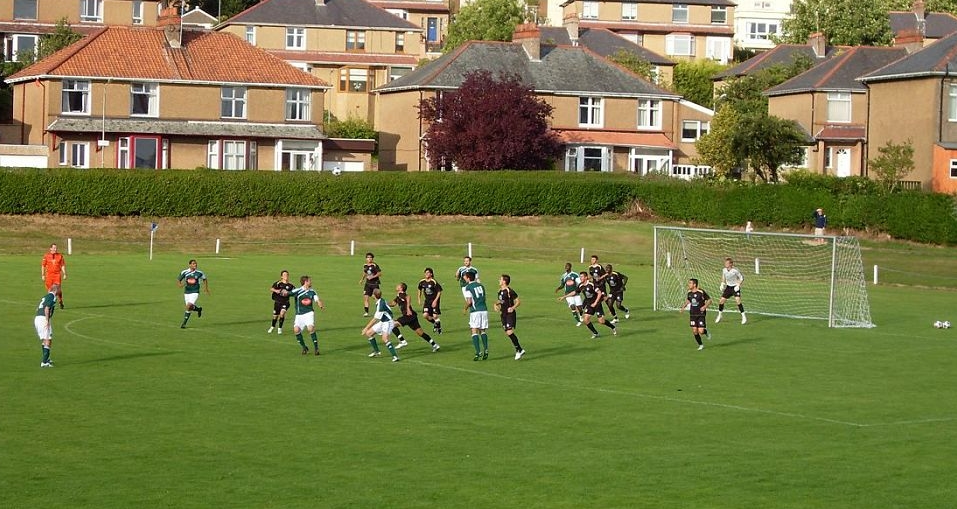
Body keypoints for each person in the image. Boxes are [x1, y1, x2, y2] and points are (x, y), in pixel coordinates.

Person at [391, 282, 440, 352]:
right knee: (420, 333)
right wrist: (384, 304)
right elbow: (393, 304)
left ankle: (402, 341)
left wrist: (408, 308)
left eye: (398, 285)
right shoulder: (399, 296)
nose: (396, 286)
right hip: (412, 316)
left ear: (401, 288)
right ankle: (435, 345)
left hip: (408, 316)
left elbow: (408, 297)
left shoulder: (402, 294)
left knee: (391, 324)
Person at [568, 272, 617, 339]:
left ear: (586, 277)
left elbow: (599, 293)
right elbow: (575, 292)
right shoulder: (580, 285)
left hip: (597, 304)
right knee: (585, 319)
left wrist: (595, 302)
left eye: (582, 276)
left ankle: (613, 327)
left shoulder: (592, 284)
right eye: (580, 277)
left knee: (601, 321)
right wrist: (565, 296)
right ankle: (595, 333)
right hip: (589, 305)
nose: (580, 278)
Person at [362, 288, 400, 362]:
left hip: (388, 322)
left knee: (384, 338)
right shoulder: (380, 300)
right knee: (369, 333)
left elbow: (375, 319)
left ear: (374, 295)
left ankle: (395, 356)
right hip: (383, 321)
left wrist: (366, 328)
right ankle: (377, 352)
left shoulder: (380, 306)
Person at [289, 275, 324, 355]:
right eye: (309, 281)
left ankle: (316, 349)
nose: (311, 282)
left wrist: (320, 304)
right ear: (305, 282)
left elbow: (317, 299)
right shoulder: (297, 291)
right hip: (299, 314)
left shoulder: (312, 291)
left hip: (309, 313)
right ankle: (304, 347)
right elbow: (288, 293)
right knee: (296, 330)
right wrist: (283, 292)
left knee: (310, 328)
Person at [496, 274, 526, 360]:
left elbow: (518, 301)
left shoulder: (510, 291)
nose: (499, 280)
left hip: (510, 314)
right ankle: (519, 349)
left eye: (500, 279)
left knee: (509, 331)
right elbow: (502, 300)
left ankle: (518, 350)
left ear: (504, 281)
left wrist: (513, 308)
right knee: (507, 332)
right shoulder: (500, 291)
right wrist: (496, 304)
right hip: (503, 314)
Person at [462, 271, 490, 360]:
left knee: (474, 331)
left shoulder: (468, 287)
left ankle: (478, 352)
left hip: (475, 311)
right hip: (484, 310)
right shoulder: (481, 285)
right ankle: (486, 349)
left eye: (465, 277)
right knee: (483, 331)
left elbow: (469, 301)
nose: (464, 278)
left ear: (468, 278)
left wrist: (465, 308)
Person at [681, 278, 712, 351]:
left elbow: (710, 300)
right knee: (695, 331)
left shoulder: (701, 292)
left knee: (700, 331)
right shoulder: (689, 293)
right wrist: (683, 307)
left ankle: (706, 332)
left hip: (701, 314)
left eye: (690, 283)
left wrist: (705, 306)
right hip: (692, 314)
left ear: (694, 285)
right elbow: (688, 300)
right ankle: (701, 345)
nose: (688, 284)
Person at [177, 259, 209, 328]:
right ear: (190, 265)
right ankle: (198, 309)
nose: (195, 265)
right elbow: (179, 279)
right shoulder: (185, 272)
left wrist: (206, 288)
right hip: (187, 292)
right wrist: (180, 285)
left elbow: (204, 279)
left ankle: (184, 324)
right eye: (194, 264)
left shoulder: (199, 273)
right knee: (189, 307)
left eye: (196, 263)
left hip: (195, 292)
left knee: (188, 306)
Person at [716, 257, 747, 325]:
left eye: (727, 263)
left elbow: (741, 278)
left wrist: (738, 285)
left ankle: (743, 316)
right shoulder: (724, 270)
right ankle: (720, 315)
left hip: (735, 287)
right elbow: (723, 277)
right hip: (728, 287)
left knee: (738, 301)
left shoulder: (735, 270)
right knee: (721, 301)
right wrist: (722, 284)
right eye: (725, 263)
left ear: (731, 264)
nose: (725, 264)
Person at [34, 283, 59, 367]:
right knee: (47, 339)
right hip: (43, 319)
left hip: (37, 318)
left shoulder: (45, 296)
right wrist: (47, 321)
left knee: (46, 339)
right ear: (56, 290)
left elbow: (37, 308)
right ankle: (44, 362)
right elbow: (47, 308)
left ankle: (47, 358)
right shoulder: (52, 297)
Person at [268, 270, 296, 334]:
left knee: (282, 313)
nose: (286, 276)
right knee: (275, 316)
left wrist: (289, 293)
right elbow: (271, 289)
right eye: (284, 275)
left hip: (285, 302)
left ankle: (279, 328)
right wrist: (276, 290)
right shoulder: (278, 283)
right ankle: (272, 327)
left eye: (287, 275)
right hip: (277, 302)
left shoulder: (291, 285)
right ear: (281, 277)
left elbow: (295, 292)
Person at [417, 267, 443, 334]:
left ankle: (438, 326)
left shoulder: (433, 282)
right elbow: (419, 289)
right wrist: (419, 299)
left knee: (435, 316)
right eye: (425, 272)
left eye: (428, 273)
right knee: (425, 315)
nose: (426, 274)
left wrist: (435, 301)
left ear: (431, 274)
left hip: (434, 300)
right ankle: (436, 323)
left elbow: (439, 291)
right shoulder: (422, 282)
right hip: (427, 301)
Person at [41, 243, 67, 309]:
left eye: (56, 248)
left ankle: (60, 300)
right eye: (54, 248)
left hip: (57, 275)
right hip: (49, 275)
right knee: (50, 290)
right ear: (50, 248)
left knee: (58, 290)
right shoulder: (46, 256)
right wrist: (43, 275)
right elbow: (43, 266)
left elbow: (62, 265)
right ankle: (50, 304)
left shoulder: (60, 256)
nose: (55, 249)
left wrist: (64, 273)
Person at [360, 252, 382, 316]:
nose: (369, 258)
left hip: (375, 283)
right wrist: (362, 279)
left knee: (376, 297)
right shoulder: (365, 265)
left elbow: (379, 273)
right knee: (366, 297)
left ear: (372, 258)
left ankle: (379, 309)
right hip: (367, 284)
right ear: (366, 258)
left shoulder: (374, 265)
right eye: (368, 257)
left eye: (370, 257)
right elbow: (365, 273)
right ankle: (366, 312)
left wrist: (372, 277)